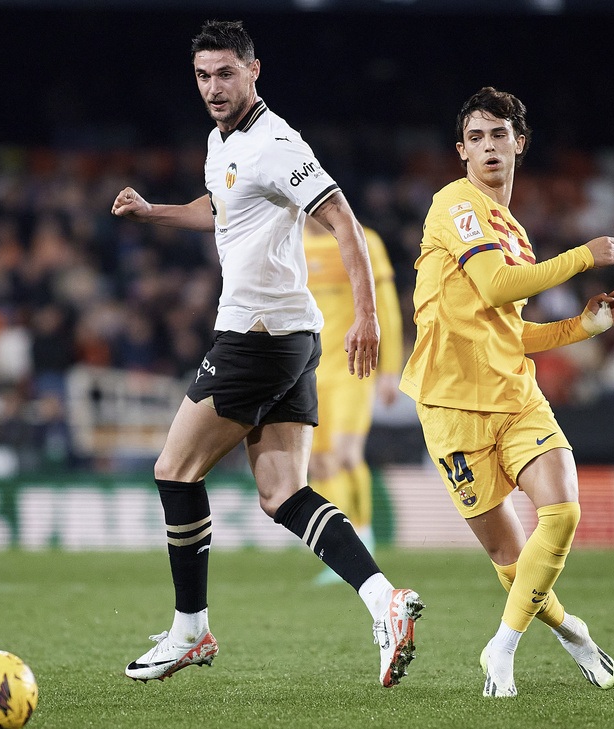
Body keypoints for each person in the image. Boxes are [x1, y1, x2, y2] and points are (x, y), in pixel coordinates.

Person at [111, 20, 423, 688]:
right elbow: (221, 208)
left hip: (254, 338)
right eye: (203, 76)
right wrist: (152, 212)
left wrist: (367, 317)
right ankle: (385, 601)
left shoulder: (279, 143)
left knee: (174, 470)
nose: (214, 88)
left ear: (255, 70)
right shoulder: (223, 142)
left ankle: (190, 631)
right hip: (288, 340)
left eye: (226, 73)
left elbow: (341, 218)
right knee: (283, 493)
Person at [400, 86, 614, 697]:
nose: (488, 146)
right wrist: (583, 255)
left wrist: (586, 326)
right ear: (461, 152)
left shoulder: (517, 235)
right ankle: (569, 630)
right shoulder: (454, 205)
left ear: (519, 144)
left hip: (517, 398)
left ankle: (500, 649)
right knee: (511, 560)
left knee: (563, 513)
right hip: (449, 408)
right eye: (476, 137)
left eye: (498, 134)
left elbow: (510, 332)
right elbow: (498, 288)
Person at [304, 218, 402, 575]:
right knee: (318, 463)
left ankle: (362, 535)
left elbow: (385, 307)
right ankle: (339, 549)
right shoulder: (290, 242)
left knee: (344, 454)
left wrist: (390, 369)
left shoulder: (363, 240)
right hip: (308, 372)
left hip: (353, 367)